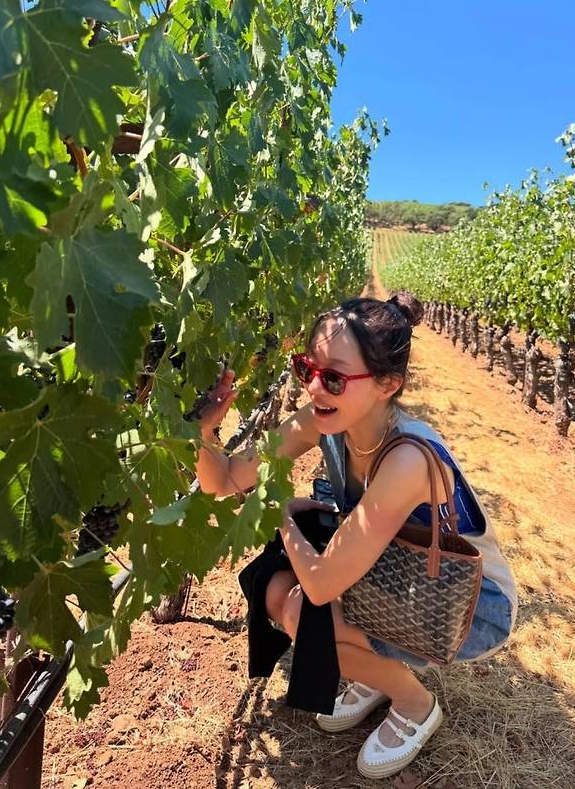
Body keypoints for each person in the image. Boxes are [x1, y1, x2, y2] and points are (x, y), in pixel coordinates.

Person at [195, 293, 517, 780]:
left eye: (334, 378)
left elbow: (322, 583)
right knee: (276, 591)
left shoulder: (407, 458)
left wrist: (278, 510)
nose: (314, 388)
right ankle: (375, 671)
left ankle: (414, 702)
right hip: (396, 575)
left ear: (388, 384)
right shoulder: (323, 420)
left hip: (467, 602)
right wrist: (202, 433)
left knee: (305, 612)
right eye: (307, 369)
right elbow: (225, 481)